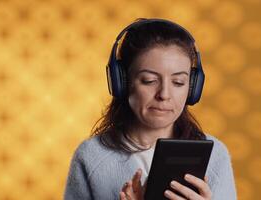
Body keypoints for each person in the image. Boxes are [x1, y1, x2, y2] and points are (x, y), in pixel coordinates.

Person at [64, 18, 237, 200]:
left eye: (178, 82)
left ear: (192, 88)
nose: (164, 94)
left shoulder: (215, 155)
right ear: (122, 82)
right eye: (149, 81)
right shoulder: (91, 156)